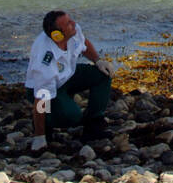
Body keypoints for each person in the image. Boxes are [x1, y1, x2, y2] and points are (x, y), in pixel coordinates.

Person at [25, 10, 114, 152]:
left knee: (103, 74)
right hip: (44, 89)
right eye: (68, 23)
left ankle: (94, 123)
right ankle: (45, 126)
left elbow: (83, 42)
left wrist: (97, 60)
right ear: (57, 35)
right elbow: (41, 100)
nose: (73, 23)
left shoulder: (73, 31)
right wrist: (39, 136)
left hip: (67, 75)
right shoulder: (45, 62)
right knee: (72, 116)